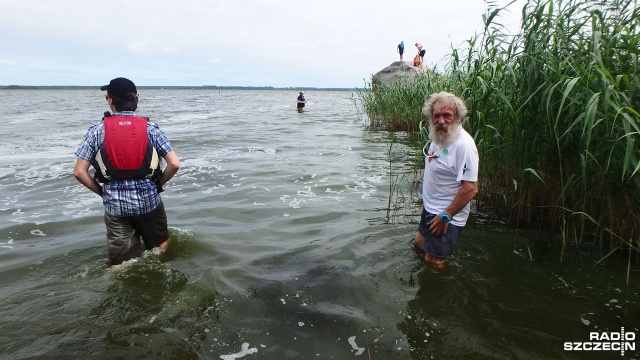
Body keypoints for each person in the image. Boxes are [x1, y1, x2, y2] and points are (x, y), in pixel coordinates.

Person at [73, 77, 180, 269]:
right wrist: (157, 185)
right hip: (149, 201)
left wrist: (102, 192)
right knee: (160, 245)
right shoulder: (151, 129)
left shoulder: (96, 131)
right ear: (135, 100)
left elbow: (80, 172)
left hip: (116, 207)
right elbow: (174, 164)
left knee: (120, 265)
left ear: (111, 101)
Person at [414, 92, 479, 265]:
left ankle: (443, 287)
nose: (441, 121)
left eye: (447, 115)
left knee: (433, 262)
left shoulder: (464, 145)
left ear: (458, 117)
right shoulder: (439, 136)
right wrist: (426, 203)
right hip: (430, 208)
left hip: (446, 215)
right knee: (419, 244)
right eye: (436, 116)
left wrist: (446, 216)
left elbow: (471, 189)